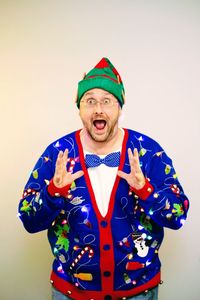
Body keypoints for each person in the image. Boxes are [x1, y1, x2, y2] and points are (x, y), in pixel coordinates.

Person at [18, 57, 189, 300]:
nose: (99, 109)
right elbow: (28, 220)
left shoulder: (148, 152)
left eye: (107, 101)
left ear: (119, 107)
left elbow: (179, 215)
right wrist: (53, 191)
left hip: (138, 292)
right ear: (79, 109)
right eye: (90, 101)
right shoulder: (58, 153)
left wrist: (145, 190)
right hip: (71, 292)